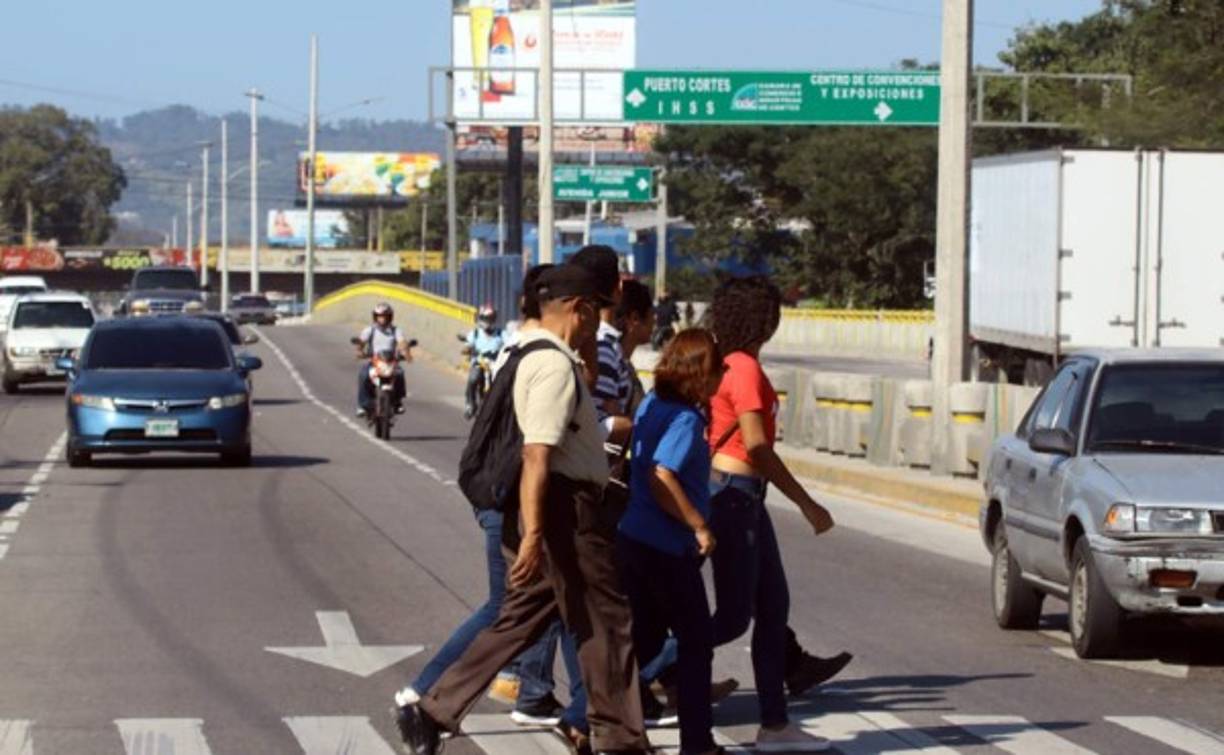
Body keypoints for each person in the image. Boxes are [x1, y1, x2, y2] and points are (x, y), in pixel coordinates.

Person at [397, 264, 650, 755]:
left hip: (551, 508)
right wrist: (534, 534)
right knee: (609, 621)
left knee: (522, 616)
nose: (599, 328)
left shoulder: (530, 353)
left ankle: (432, 710)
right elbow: (537, 452)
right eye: (597, 316)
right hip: (565, 510)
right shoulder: (553, 366)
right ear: (578, 310)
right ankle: (621, 739)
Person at [706, 275, 851, 752]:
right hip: (736, 493)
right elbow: (757, 447)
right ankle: (640, 664)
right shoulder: (744, 367)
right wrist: (808, 504)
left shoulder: (723, 360)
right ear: (763, 320)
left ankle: (775, 724)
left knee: (772, 608)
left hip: (738, 494)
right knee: (732, 619)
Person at [618, 329, 726, 755]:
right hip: (666, 549)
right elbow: (661, 475)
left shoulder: (651, 404)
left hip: (633, 538)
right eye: (717, 369)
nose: (721, 377)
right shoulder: (685, 419)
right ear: (699, 374)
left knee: (641, 641)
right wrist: (699, 524)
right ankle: (697, 744)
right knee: (696, 642)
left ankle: (580, 718)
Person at [355, 302, 410, 416]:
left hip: (390, 361)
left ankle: (398, 402)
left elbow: (402, 342)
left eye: (385, 316)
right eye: (380, 316)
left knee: (399, 374)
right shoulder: (370, 330)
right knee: (364, 375)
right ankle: (363, 405)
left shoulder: (395, 330)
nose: (382, 319)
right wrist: (360, 350)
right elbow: (361, 341)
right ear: (375, 317)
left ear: (390, 317)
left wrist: (405, 352)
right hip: (375, 361)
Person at [463, 304, 506, 419]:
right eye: (486, 319)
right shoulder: (475, 334)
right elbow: (467, 345)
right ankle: (470, 404)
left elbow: (509, 343)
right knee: (473, 378)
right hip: (479, 363)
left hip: (494, 364)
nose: (489, 322)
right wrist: (468, 349)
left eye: (491, 319)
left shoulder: (501, 334)